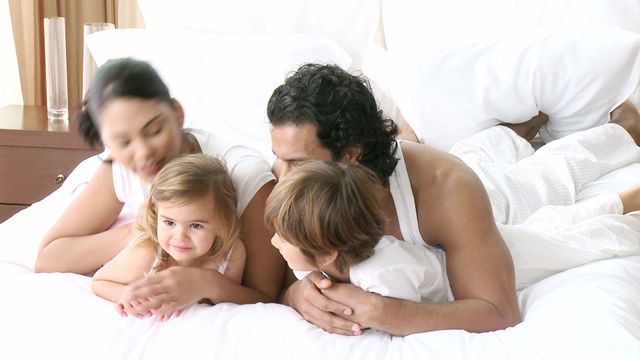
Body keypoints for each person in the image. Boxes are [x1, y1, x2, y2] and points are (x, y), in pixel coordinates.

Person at [266, 63, 640, 336]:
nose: (279, 175)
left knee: (544, 178)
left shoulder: (446, 189)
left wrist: (383, 310)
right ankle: (509, 133)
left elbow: (497, 311)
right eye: (278, 157)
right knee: (478, 150)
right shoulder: (289, 187)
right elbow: (283, 278)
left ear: (350, 154)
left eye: (296, 162)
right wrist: (297, 295)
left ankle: (623, 130)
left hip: (493, 193)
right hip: (432, 163)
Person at [36, 58, 286, 314]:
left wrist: (207, 283)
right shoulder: (120, 167)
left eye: (154, 131)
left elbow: (267, 294)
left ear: (177, 113)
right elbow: (48, 258)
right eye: (123, 142)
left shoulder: (244, 175)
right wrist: (138, 231)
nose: (143, 153)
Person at [265, 161, 450, 306]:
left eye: (283, 238)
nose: (274, 243)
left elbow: (404, 320)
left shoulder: (383, 274)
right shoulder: (318, 261)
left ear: (326, 254)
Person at [93, 154, 245, 321]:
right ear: (156, 214)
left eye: (196, 225)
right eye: (169, 222)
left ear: (221, 224)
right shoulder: (147, 253)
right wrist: (128, 296)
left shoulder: (231, 253)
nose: (180, 237)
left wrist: (211, 285)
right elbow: (99, 281)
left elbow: (243, 301)